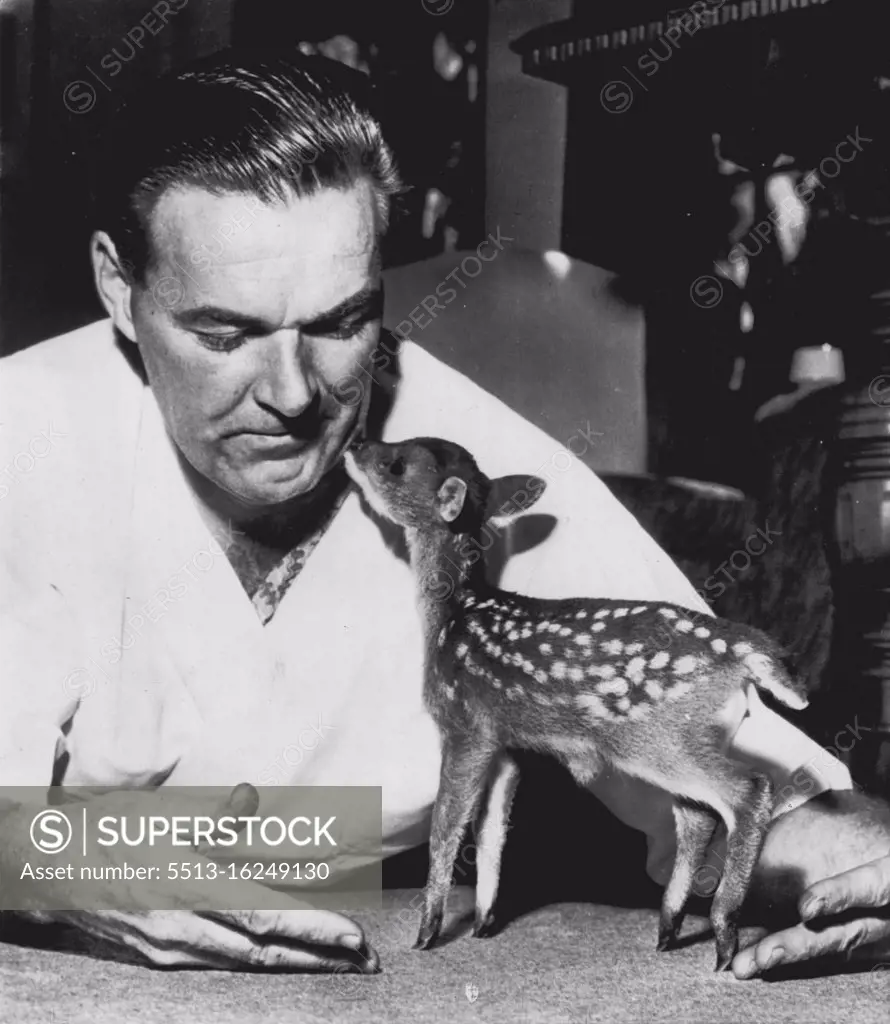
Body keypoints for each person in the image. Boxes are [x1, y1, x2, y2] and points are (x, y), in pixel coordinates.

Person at [0, 49, 887, 979]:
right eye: (226, 334)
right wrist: (87, 874)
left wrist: (861, 863)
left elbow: (765, 784)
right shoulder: (27, 443)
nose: (296, 394)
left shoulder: (454, 453)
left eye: (344, 323)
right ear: (117, 285)